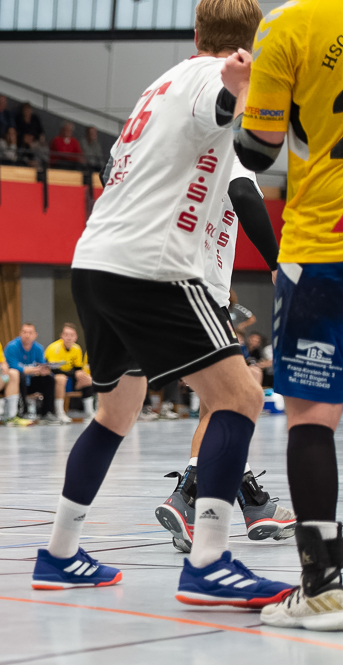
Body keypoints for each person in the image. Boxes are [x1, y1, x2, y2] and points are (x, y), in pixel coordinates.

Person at [31, 0, 292, 609]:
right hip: (154, 266)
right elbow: (220, 103)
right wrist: (237, 88)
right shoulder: (212, 76)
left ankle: (60, 553)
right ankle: (209, 563)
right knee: (241, 396)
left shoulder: (160, 84)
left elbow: (113, 169)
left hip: (95, 259)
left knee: (116, 411)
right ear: (251, 42)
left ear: (195, 31)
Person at [226, 0, 343, 629]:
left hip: (325, 245)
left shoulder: (290, 23)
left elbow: (256, 150)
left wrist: (246, 91)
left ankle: (324, 587)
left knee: (312, 419)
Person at [156, 156, 291, 554]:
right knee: (241, 397)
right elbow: (244, 193)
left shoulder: (178, 150)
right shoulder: (230, 147)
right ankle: (189, 497)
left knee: (218, 404)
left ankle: (252, 502)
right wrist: (277, 263)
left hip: (169, 289)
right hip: (194, 291)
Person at [5, 323, 56, 422]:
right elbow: (12, 366)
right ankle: (22, 412)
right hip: (14, 382)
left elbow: (41, 365)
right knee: (20, 375)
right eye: (24, 332)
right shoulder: (12, 347)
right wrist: (32, 370)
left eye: (30, 333)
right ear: (20, 333)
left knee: (49, 379)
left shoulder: (38, 348)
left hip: (31, 381)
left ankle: (47, 413)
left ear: (35, 335)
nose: (27, 335)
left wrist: (44, 371)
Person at [44, 323, 94, 422]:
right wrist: (74, 374)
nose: (69, 338)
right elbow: (54, 369)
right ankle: (60, 413)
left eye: (72, 335)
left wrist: (80, 376)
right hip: (53, 378)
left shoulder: (77, 349)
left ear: (76, 337)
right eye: (66, 335)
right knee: (61, 378)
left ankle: (89, 413)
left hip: (69, 377)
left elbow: (77, 368)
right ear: (61, 336)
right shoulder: (54, 348)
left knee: (87, 379)